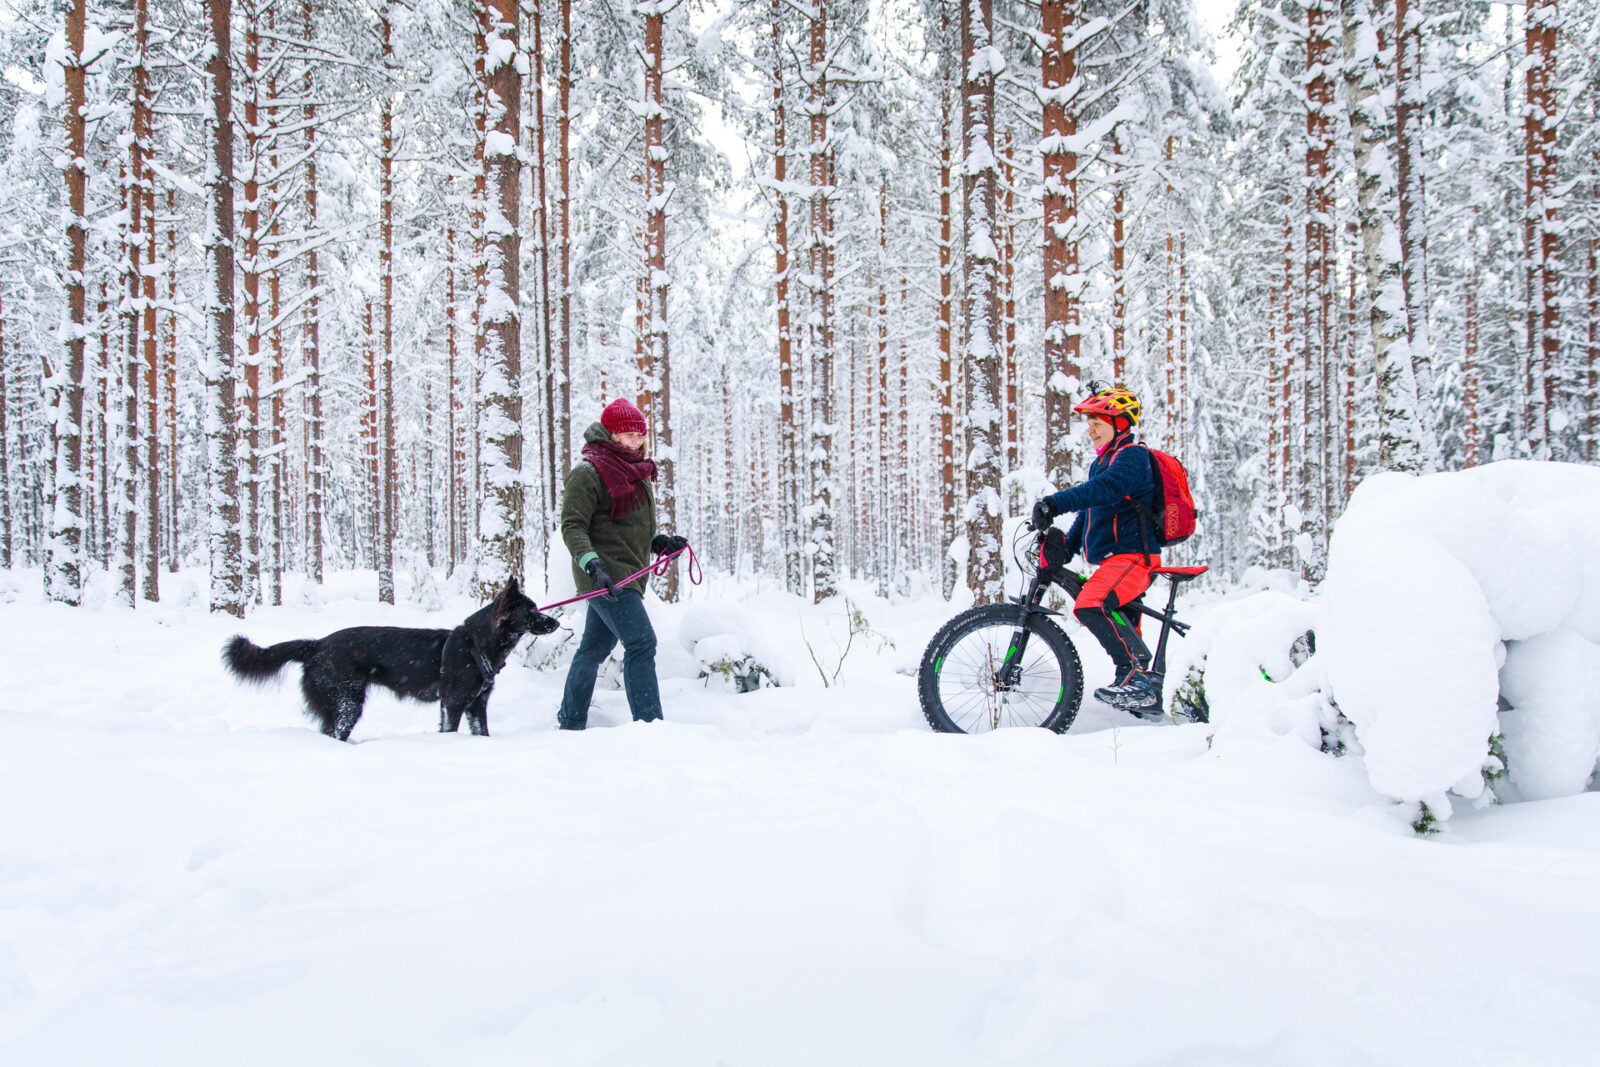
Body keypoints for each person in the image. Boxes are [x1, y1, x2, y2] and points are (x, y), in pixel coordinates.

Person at [556, 397, 689, 730]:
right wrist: (591, 564)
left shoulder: (636, 473)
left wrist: (660, 543)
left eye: (640, 434)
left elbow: (630, 527)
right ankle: (649, 726)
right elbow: (573, 525)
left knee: (593, 650)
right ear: (611, 434)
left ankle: (570, 720)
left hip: (626, 574)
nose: (637, 440)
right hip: (603, 575)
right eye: (629, 435)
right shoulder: (588, 472)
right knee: (642, 642)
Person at [1030, 386, 1164, 717]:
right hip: (1116, 560)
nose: (1090, 430)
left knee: (1091, 603)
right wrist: (1067, 548)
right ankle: (1144, 701)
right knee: (1120, 622)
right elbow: (1091, 512)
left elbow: (1105, 490)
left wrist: (1055, 502)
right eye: (1088, 423)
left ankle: (1140, 679)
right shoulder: (1103, 461)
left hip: (1134, 558)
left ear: (1120, 422)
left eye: (1097, 423)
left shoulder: (1132, 457)